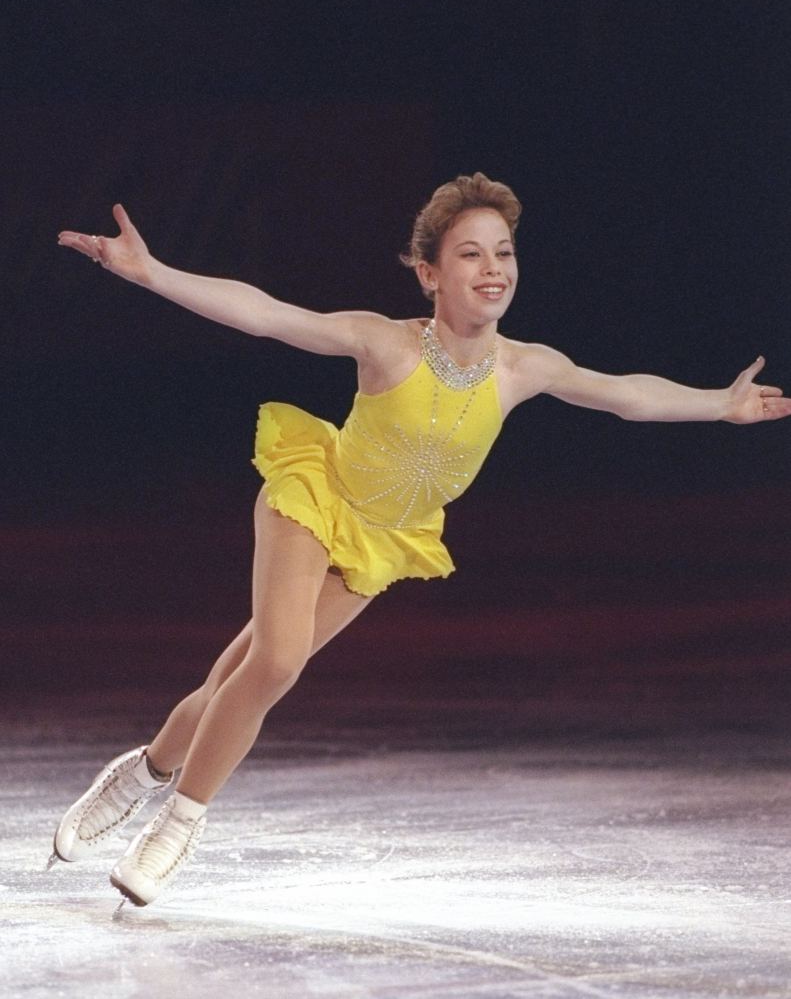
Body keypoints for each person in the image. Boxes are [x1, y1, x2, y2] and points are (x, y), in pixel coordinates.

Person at [51, 173, 790, 908]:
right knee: (276, 661)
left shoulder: (522, 368)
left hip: (379, 542)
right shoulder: (384, 341)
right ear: (429, 273)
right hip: (313, 501)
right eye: (470, 255)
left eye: (502, 252)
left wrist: (718, 405)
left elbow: (626, 394)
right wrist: (152, 273)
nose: (493, 268)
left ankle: (140, 773)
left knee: (232, 683)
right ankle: (178, 824)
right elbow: (266, 314)